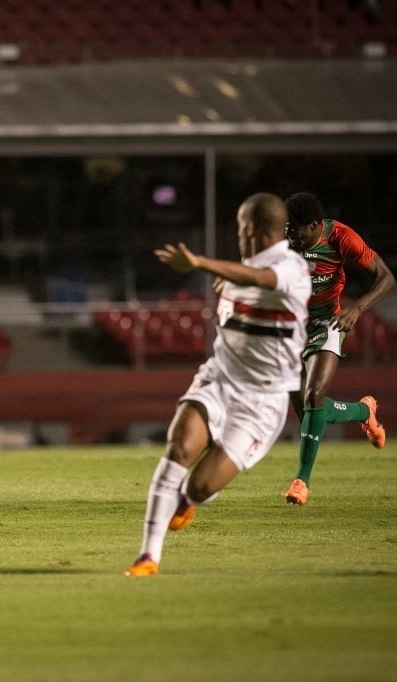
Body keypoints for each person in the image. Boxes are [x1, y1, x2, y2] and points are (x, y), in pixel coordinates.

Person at [125, 192, 311, 577]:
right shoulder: (241, 267)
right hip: (221, 379)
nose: (237, 235)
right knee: (179, 446)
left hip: (263, 401)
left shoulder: (290, 266)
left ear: (253, 231)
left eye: (240, 228)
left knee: (201, 486)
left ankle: (188, 499)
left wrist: (202, 265)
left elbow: (262, 280)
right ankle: (148, 557)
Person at [282, 191, 393, 506]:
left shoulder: (341, 237)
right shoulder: (283, 244)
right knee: (307, 411)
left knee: (314, 394)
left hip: (327, 323)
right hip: (291, 328)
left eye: (293, 230)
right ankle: (363, 411)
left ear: (314, 225)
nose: (287, 235)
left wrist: (356, 309)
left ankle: (302, 481)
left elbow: (386, 278)